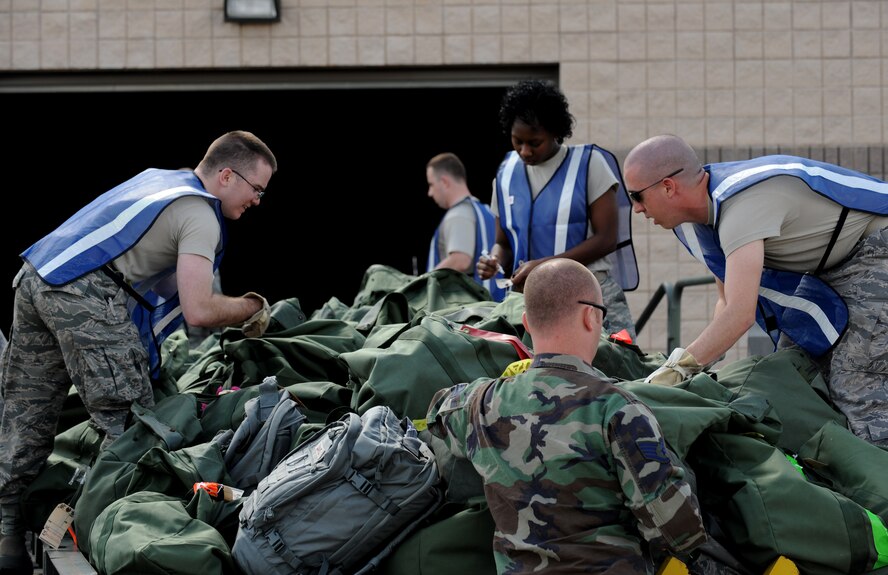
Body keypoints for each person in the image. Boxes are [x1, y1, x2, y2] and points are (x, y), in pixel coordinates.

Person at [0, 130, 277, 574]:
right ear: (227, 175)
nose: (259, 201)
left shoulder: (159, 182)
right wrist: (252, 308)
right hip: (83, 293)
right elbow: (199, 309)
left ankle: (7, 539)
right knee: (134, 427)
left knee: (26, 415)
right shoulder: (200, 214)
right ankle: (108, 538)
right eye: (257, 189)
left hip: (37, 275)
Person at [427, 258, 707, 574]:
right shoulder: (619, 410)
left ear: (527, 323)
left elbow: (438, 412)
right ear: (591, 317)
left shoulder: (480, 403)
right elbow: (678, 531)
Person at [623, 134, 888, 447]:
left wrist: (678, 369)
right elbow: (725, 300)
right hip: (833, 266)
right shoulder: (701, 217)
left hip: (874, 250)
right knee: (793, 370)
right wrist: (697, 368)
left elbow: (739, 314)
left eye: (636, 196)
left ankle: (876, 485)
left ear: (668, 186)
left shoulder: (740, 207)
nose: (636, 209)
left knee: (856, 380)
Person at [476, 79, 639, 338]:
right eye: (517, 141)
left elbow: (607, 239)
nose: (524, 151)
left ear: (555, 133)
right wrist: (493, 259)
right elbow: (503, 243)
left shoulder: (589, 164)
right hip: (529, 301)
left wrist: (543, 266)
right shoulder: (505, 175)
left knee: (617, 369)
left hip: (591, 292)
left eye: (534, 142)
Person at [425, 152, 506, 301]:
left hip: (471, 311)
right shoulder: (487, 211)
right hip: (493, 304)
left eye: (431, 184)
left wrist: (421, 285)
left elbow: (460, 260)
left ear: (444, 182)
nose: (430, 192)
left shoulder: (458, 214)